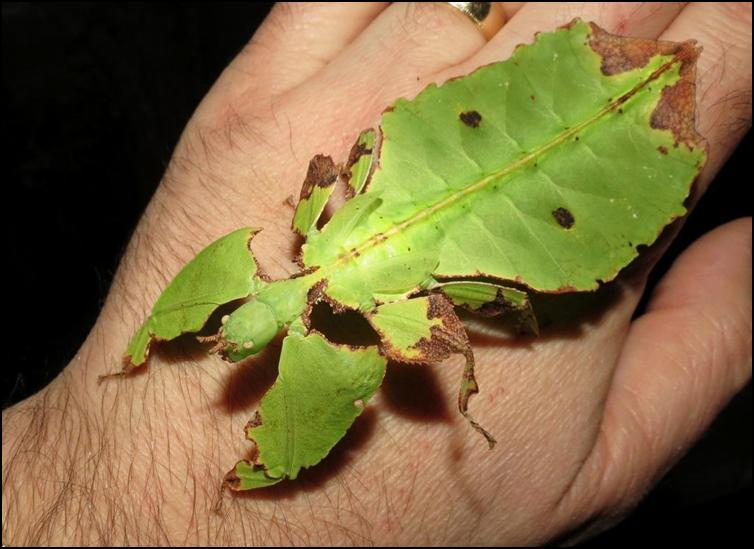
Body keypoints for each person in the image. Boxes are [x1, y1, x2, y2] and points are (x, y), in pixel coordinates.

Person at [2, 3, 751, 545]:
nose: (233, 338)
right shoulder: (321, 233)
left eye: (226, 326)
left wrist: (467, 385)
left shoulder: (396, 320)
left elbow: (445, 334)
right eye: (239, 334)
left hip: (582, 168)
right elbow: (337, 163)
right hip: (519, 143)